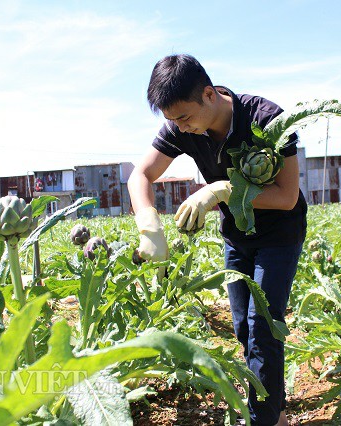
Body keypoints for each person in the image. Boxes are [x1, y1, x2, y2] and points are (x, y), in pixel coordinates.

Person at [127, 54, 307, 426]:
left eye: (184, 118)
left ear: (209, 94)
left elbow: (287, 196)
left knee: (263, 326)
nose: (180, 127)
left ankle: (263, 419)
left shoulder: (268, 120)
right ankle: (277, 410)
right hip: (237, 236)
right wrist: (149, 226)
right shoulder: (184, 126)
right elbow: (141, 175)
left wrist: (224, 190)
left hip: (279, 235)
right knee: (244, 326)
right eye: (172, 121)